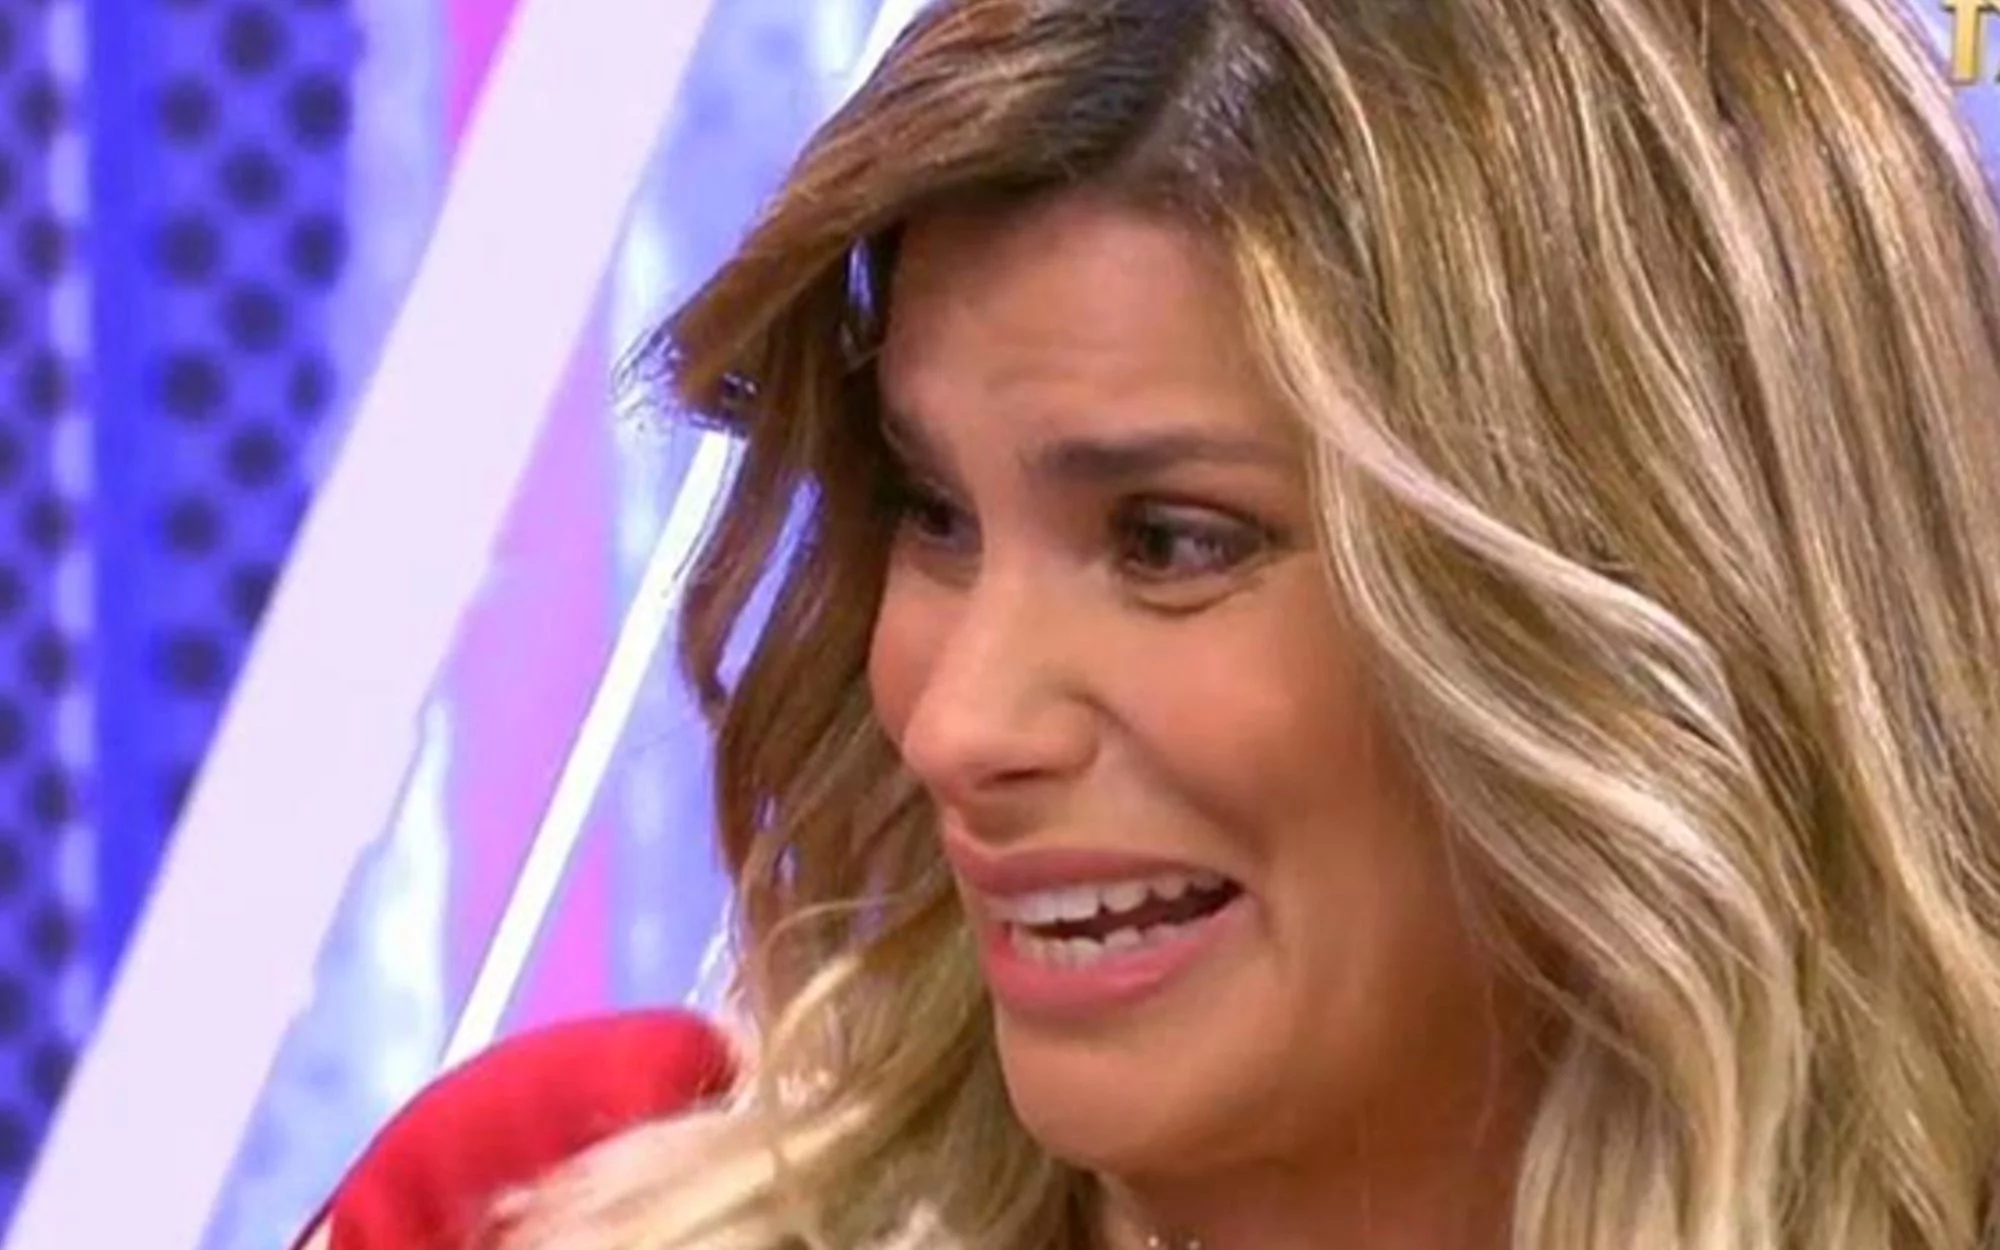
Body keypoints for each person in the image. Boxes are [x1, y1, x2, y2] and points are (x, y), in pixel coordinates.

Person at [311, 0, 2000, 1247]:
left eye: (1172, 541)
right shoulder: (529, 1201)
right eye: (935, 512)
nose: (958, 724)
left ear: (1663, 600)